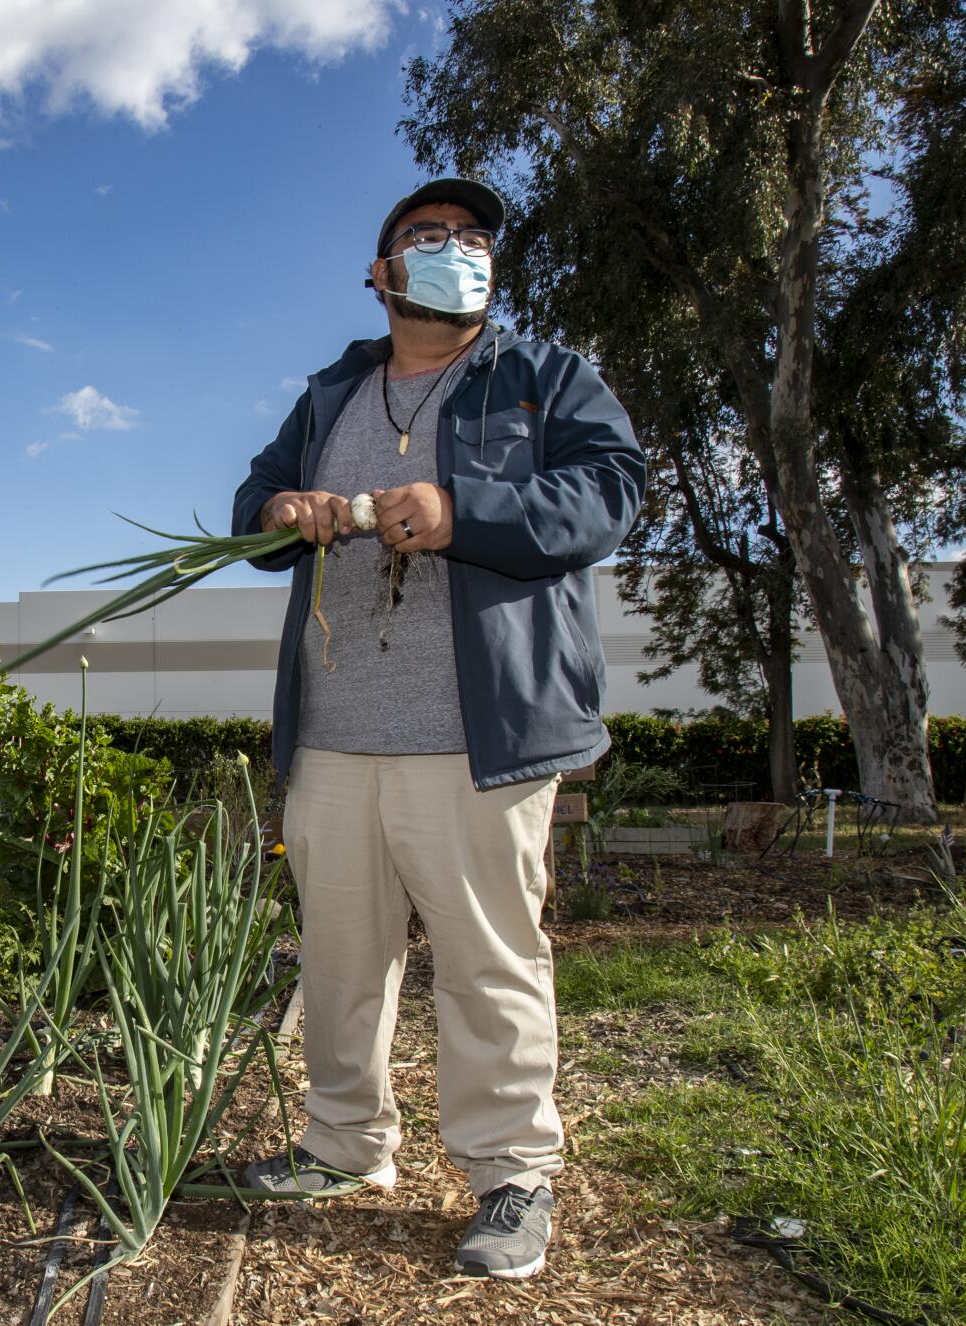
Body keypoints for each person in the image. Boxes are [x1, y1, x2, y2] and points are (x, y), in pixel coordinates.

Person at [231, 178, 644, 1280]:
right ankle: (340, 1144)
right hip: (330, 734)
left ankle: (510, 1174)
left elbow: (611, 492)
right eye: (425, 237)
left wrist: (469, 514)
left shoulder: (539, 379)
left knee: (487, 963)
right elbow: (254, 505)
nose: (453, 248)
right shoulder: (329, 395)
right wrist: (281, 512)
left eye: (471, 238)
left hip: (479, 734)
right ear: (378, 273)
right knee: (338, 959)